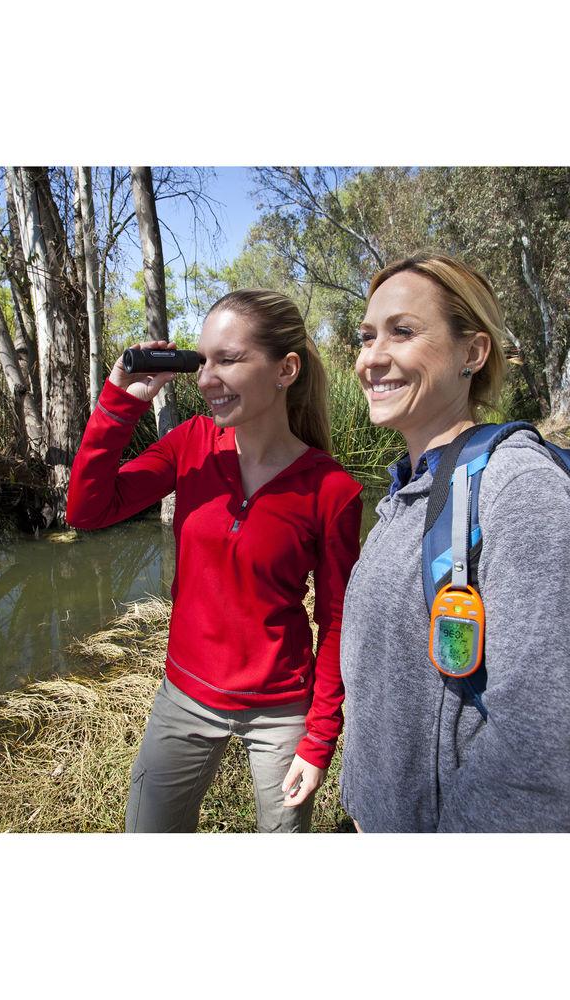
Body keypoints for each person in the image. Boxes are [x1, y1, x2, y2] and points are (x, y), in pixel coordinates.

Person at [66, 290, 363, 833]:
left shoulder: (332, 489)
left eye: (228, 360)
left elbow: (338, 622)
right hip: (185, 695)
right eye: (202, 361)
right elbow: (88, 509)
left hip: (281, 709)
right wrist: (119, 401)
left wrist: (319, 738)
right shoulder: (191, 444)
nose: (206, 379)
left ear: (285, 369)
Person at [338, 253, 570, 832]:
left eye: (403, 332)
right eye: (366, 336)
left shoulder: (518, 489)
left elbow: (538, 742)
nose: (372, 358)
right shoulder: (410, 490)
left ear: (472, 353)